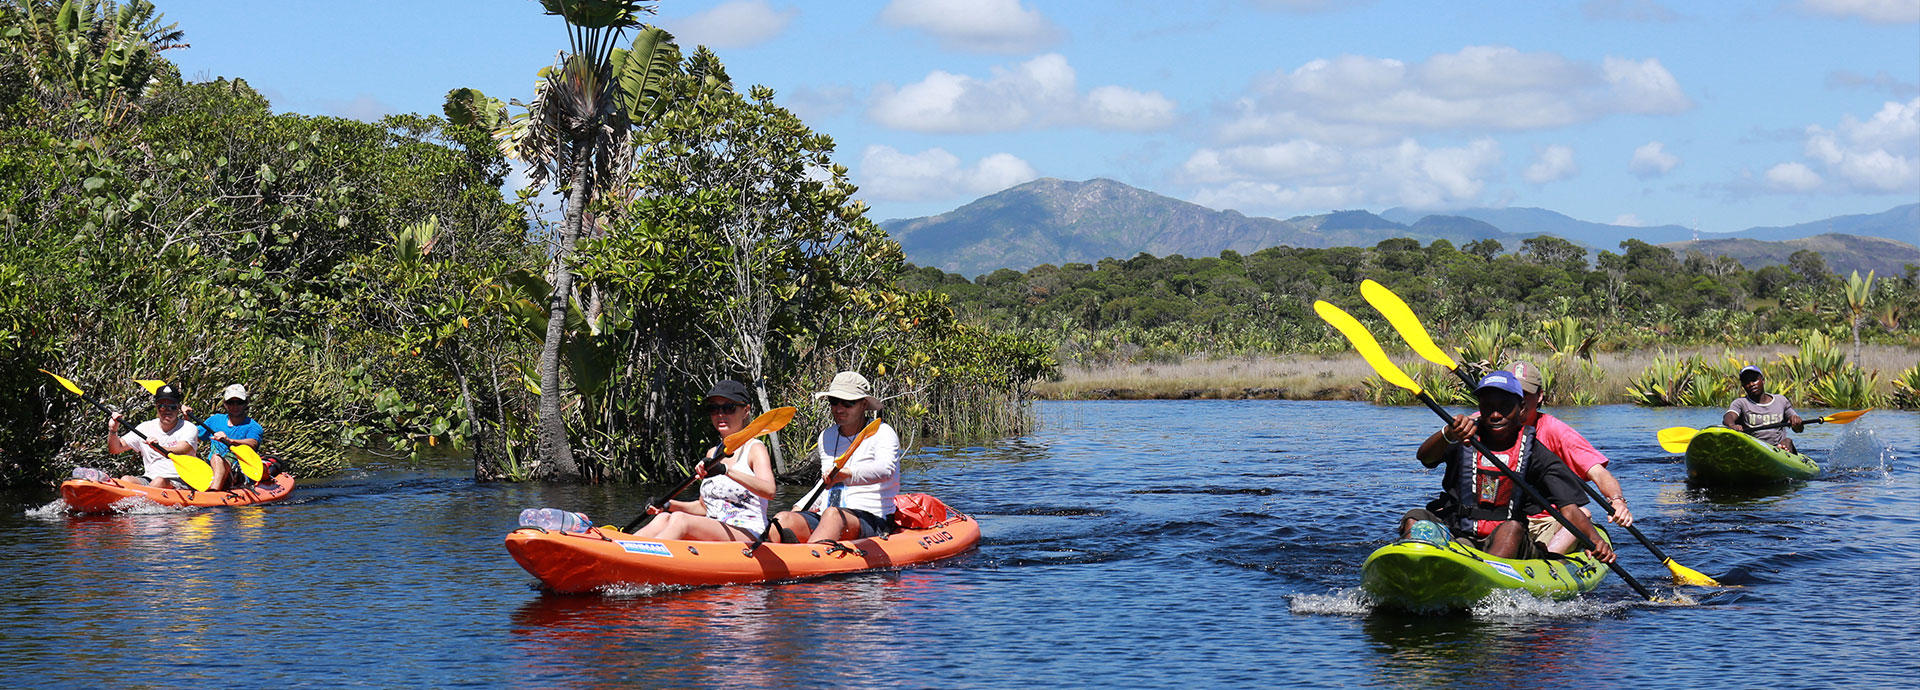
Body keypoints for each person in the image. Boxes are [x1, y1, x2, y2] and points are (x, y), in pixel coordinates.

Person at [1400, 371, 1614, 564]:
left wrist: (1594, 540)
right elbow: (1425, 458)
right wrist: (1447, 434)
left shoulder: (1536, 453)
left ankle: (1488, 580)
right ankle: (1411, 570)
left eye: (1504, 407)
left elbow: (1569, 508)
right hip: (1460, 532)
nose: (1495, 415)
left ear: (1521, 408)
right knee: (1415, 517)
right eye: (1488, 407)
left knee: (1511, 529)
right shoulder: (1464, 437)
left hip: (1508, 542)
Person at [633, 380, 777, 542]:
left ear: (745, 411)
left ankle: (645, 557)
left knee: (680, 520)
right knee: (663, 518)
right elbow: (704, 507)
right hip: (713, 527)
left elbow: (769, 491)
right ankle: (622, 548)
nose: (720, 414)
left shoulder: (755, 448)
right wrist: (667, 504)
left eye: (729, 408)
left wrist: (726, 471)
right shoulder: (713, 453)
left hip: (748, 532)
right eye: (713, 408)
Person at [771, 371, 901, 544]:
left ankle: (808, 560)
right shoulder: (827, 436)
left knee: (832, 515)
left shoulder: (883, 433)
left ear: (863, 405)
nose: (839, 409)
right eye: (834, 402)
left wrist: (847, 474)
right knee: (783, 519)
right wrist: (800, 507)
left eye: (848, 403)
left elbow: (886, 470)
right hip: (828, 514)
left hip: (872, 518)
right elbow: (826, 482)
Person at [107, 384, 201, 490]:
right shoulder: (145, 427)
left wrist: (159, 448)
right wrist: (113, 430)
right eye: (162, 406)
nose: (167, 411)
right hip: (149, 479)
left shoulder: (188, 427)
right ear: (156, 407)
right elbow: (115, 449)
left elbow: (183, 449)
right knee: (126, 480)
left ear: (178, 408)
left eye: (172, 407)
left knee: (159, 482)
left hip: (179, 480)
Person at [1724, 365, 1804, 453]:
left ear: (1763, 381)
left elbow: (1799, 430)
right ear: (1743, 386)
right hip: (1754, 448)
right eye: (1746, 382)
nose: (1751, 384)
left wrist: (1797, 422)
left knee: (1787, 441)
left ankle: (1785, 451)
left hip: (1778, 448)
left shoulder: (1781, 401)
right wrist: (1732, 425)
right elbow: (1730, 415)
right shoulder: (1740, 403)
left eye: (1754, 380)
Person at [201, 384, 265, 490]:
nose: (235, 406)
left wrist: (230, 441)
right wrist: (186, 417)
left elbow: (253, 443)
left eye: (239, 402)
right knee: (214, 459)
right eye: (231, 402)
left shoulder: (253, 426)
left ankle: (213, 493)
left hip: (238, 472)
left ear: (246, 403)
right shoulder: (214, 420)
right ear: (225, 404)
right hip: (211, 469)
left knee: (216, 458)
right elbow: (192, 435)